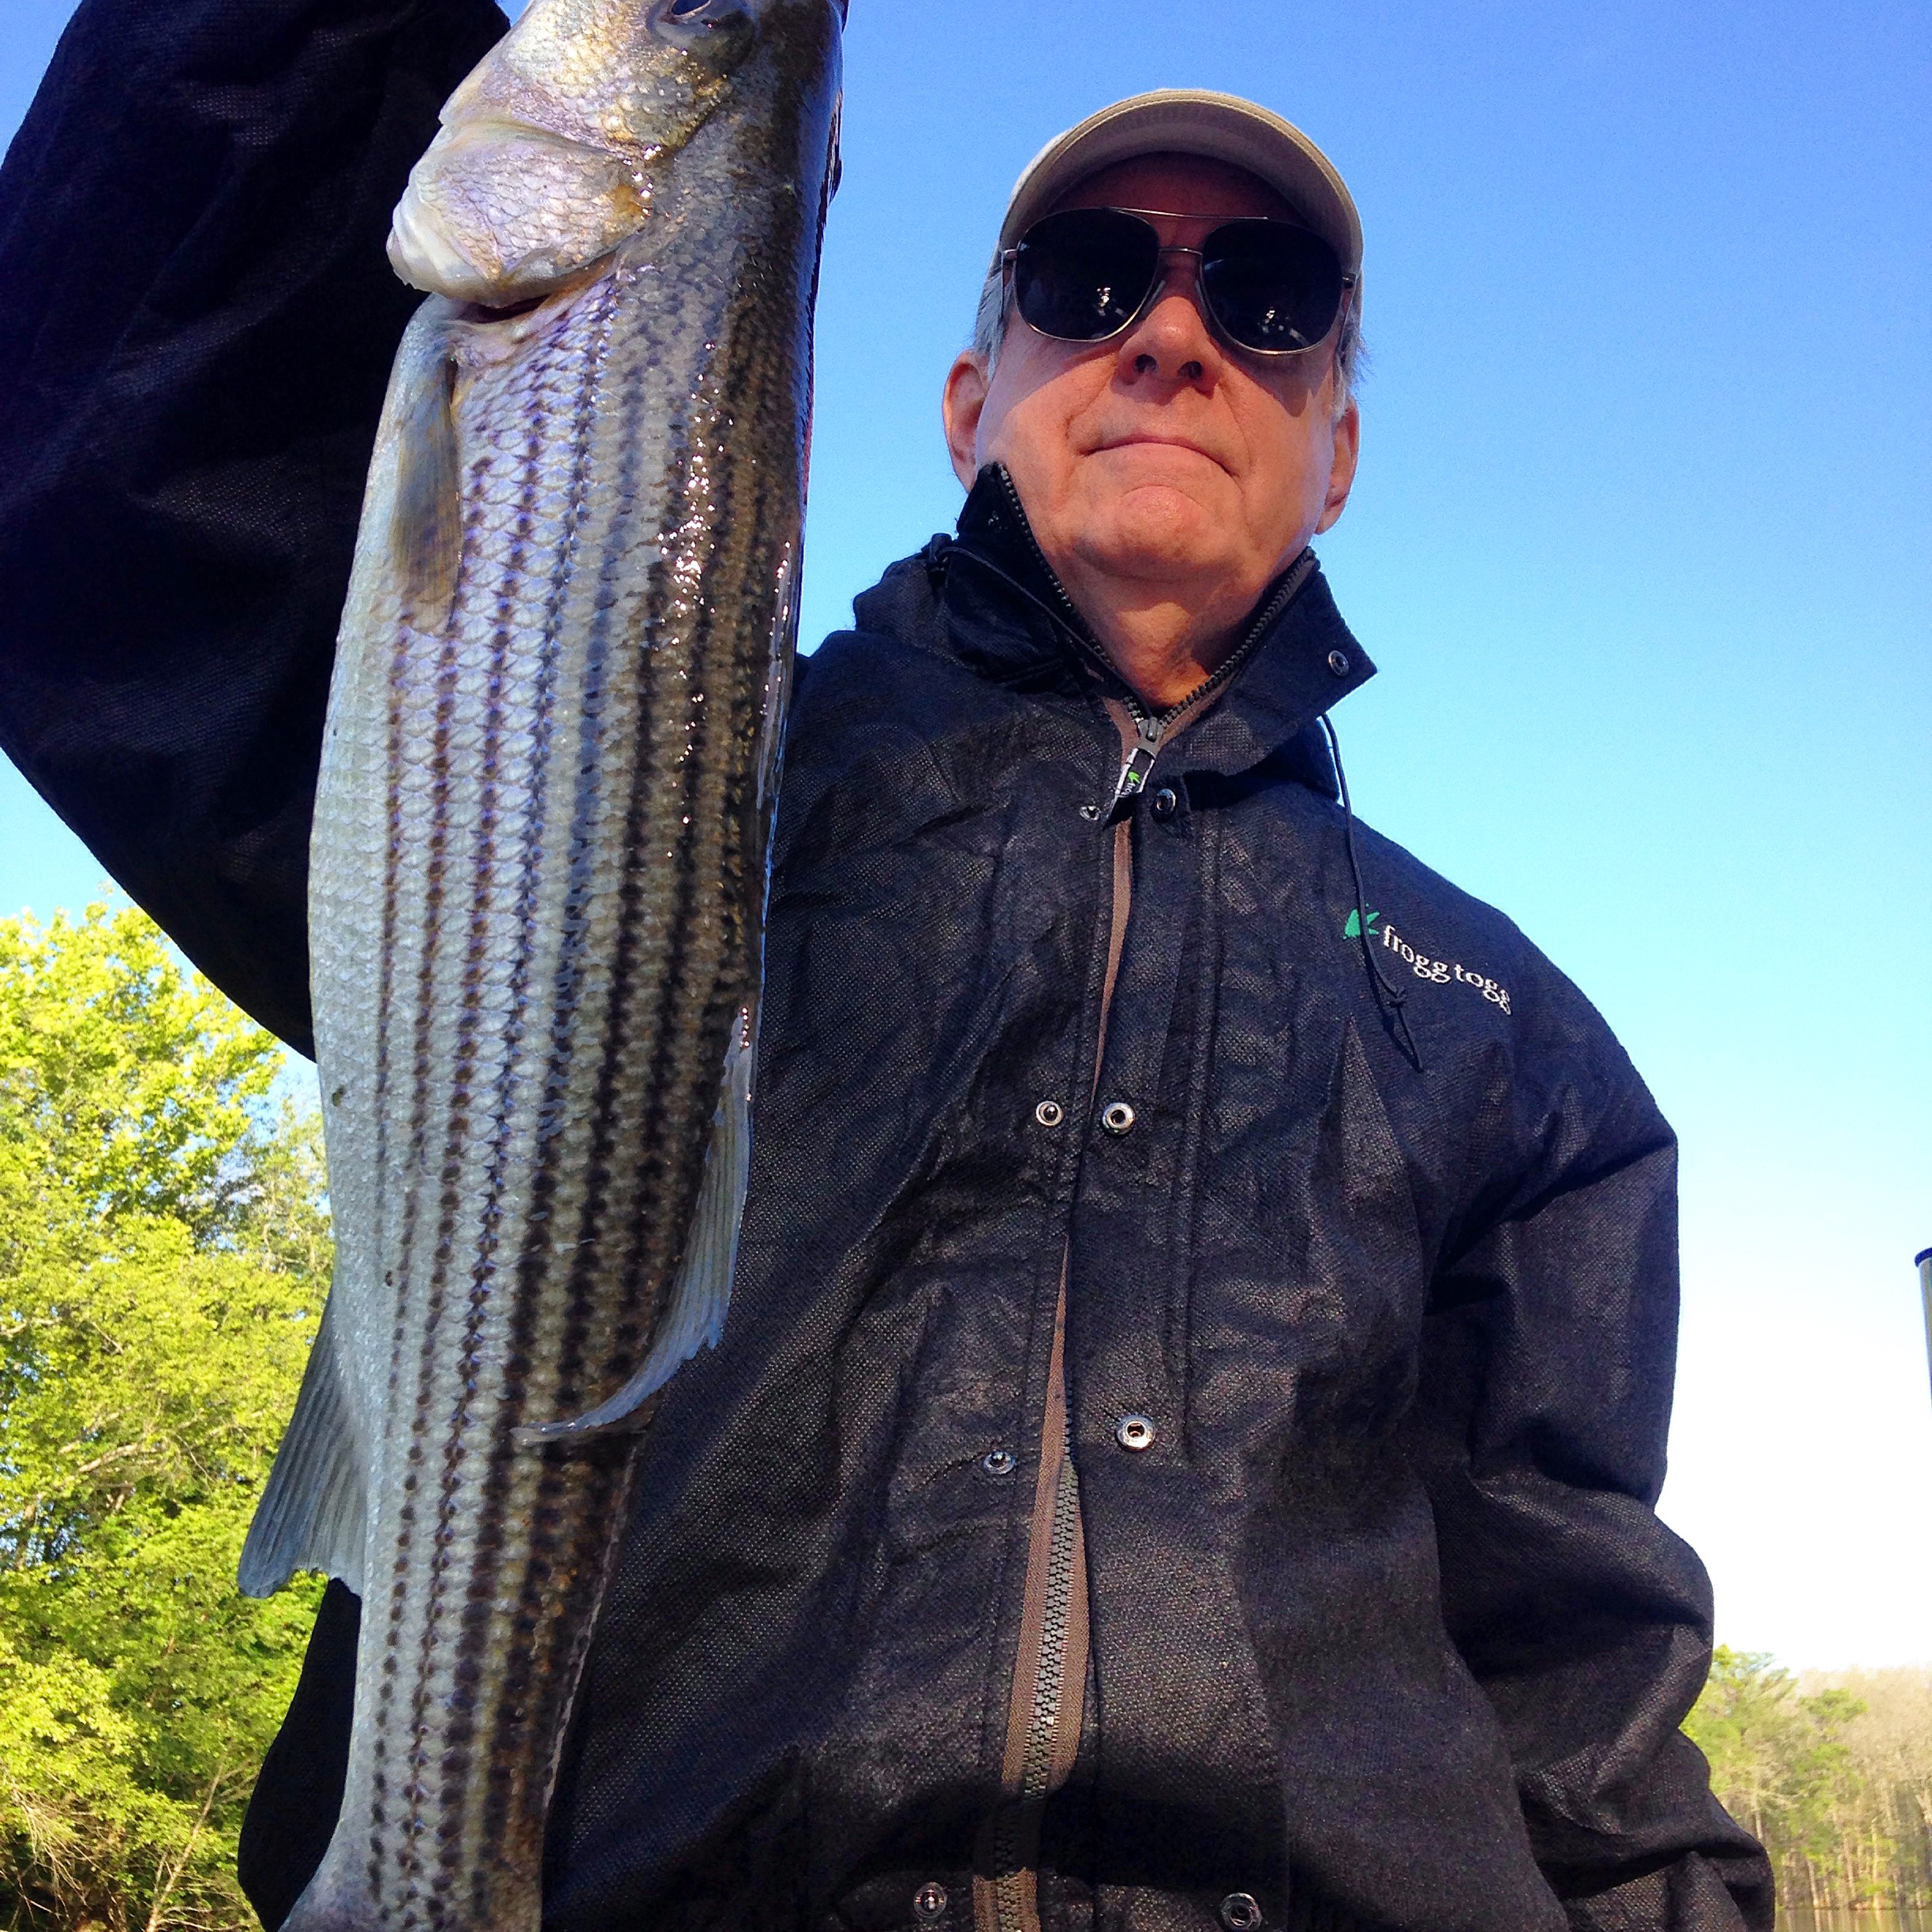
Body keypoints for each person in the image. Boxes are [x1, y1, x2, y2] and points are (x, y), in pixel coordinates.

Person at [0, 4, 1772, 1927]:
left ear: (1336, 449)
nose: (1171, 337)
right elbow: (126, 473)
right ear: (961, 398)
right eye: (1090, 278)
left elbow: (1587, 1698)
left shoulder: (1511, 1032)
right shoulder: (632, 758)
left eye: (1266, 298)